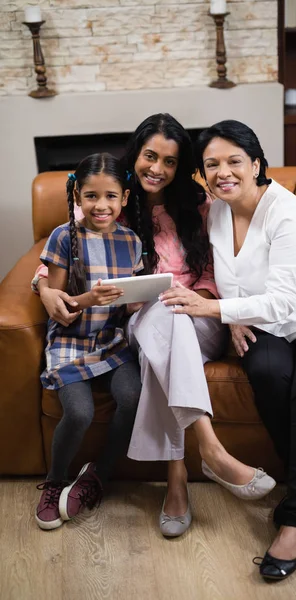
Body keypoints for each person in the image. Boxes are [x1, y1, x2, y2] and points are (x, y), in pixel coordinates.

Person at [33, 114, 276, 538]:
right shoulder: (109, 199)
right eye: (150, 156)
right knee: (161, 319)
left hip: (197, 317)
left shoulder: (201, 206)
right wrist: (43, 287)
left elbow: (219, 269)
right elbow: (63, 250)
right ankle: (208, 454)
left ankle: (181, 477)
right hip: (140, 323)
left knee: (172, 316)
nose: (157, 169)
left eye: (169, 161)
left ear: (180, 167)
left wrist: (211, 303)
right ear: (136, 155)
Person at [159, 120, 296, 577]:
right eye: (211, 164)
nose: (223, 172)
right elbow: (231, 275)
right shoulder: (215, 209)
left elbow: (283, 301)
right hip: (264, 324)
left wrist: (215, 311)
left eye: (235, 161)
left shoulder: (287, 213)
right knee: (268, 373)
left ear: (256, 164)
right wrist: (234, 315)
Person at [35, 153, 142, 530]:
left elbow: (127, 306)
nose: (102, 205)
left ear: (125, 198)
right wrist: (88, 300)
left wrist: (139, 301)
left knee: (133, 396)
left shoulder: (131, 241)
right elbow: (59, 306)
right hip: (71, 340)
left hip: (111, 341)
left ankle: (99, 475)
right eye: (92, 196)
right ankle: (54, 480)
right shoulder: (65, 237)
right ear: (77, 196)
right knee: (79, 412)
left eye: (111, 196)